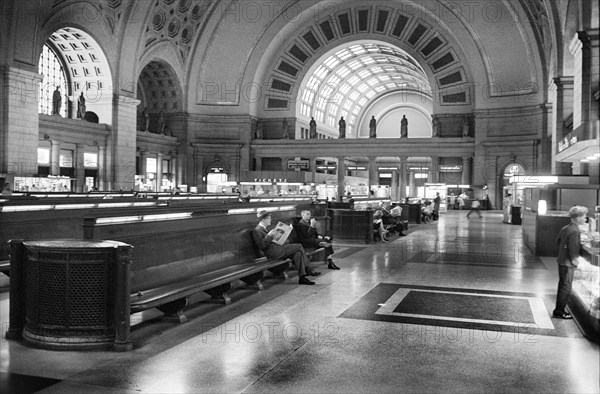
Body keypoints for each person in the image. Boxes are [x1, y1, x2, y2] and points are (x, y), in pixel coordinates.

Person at [252, 210, 321, 285]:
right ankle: (308, 269)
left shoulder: (264, 229)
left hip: (277, 249)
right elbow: (262, 246)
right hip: (273, 252)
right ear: (263, 220)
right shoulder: (257, 230)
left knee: (297, 253)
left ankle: (302, 278)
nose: (270, 220)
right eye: (269, 218)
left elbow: (272, 241)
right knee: (299, 246)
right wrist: (269, 236)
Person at [553, 206, 588, 319]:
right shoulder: (575, 230)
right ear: (577, 218)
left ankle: (558, 309)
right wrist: (575, 261)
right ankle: (560, 310)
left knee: (562, 284)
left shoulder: (566, 228)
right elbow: (573, 249)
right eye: (584, 216)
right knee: (566, 287)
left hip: (561, 260)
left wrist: (564, 248)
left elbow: (557, 241)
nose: (585, 219)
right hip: (568, 263)